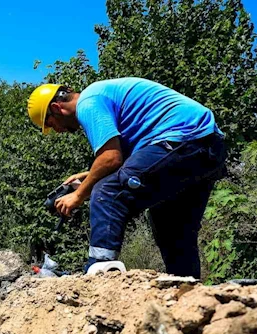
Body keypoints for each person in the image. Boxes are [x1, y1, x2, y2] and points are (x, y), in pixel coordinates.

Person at [27, 77, 227, 278]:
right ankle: (186, 288)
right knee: (172, 228)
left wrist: (78, 195)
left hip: (182, 138)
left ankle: (99, 271)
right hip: (205, 147)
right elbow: (133, 162)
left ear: (56, 107)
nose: (58, 131)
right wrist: (88, 177)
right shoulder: (102, 95)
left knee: (107, 191)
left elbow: (110, 158)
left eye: (52, 125)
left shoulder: (88, 102)